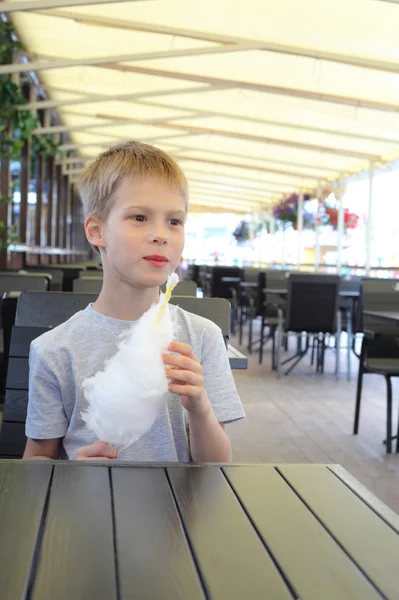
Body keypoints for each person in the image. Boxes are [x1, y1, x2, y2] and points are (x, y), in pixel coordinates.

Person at [23, 140, 245, 462]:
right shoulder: (54, 350)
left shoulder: (202, 338)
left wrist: (199, 408)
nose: (161, 234)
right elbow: (38, 458)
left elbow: (217, 465)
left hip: (178, 509)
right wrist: (73, 473)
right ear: (97, 231)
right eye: (140, 217)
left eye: (174, 221)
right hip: (89, 508)